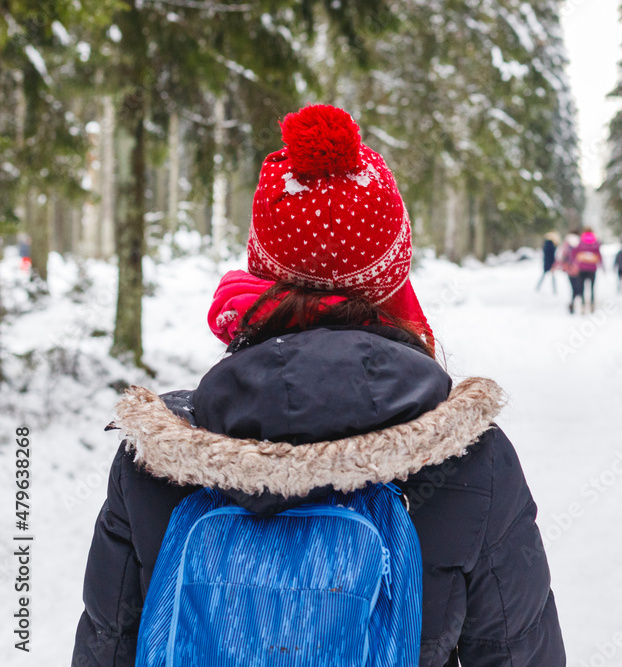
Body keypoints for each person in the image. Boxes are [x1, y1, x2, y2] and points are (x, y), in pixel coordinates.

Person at [72, 105, 565, 667]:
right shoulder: (473, 463)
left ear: (259, 273)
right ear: (391, 276)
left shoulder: (157, 463)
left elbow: (105, 649)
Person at [574, 227, 603, 312]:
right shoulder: (595, 241)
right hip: (592, 268)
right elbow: (598, 254)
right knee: (592, 287)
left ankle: (583, 305)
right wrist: (601, 264)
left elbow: (575, 252)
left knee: (582, 287)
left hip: (582, 268)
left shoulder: (580, 241)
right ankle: (592, 305)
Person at [556, 229, 583, 313]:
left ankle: (572, 303)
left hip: (569, 270)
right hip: (580, 269)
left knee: (573, 288)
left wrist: (562, 266)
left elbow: (562, 256)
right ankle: (580, 304)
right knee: (580, 288)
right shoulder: (581, 243)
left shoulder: (566, 244)